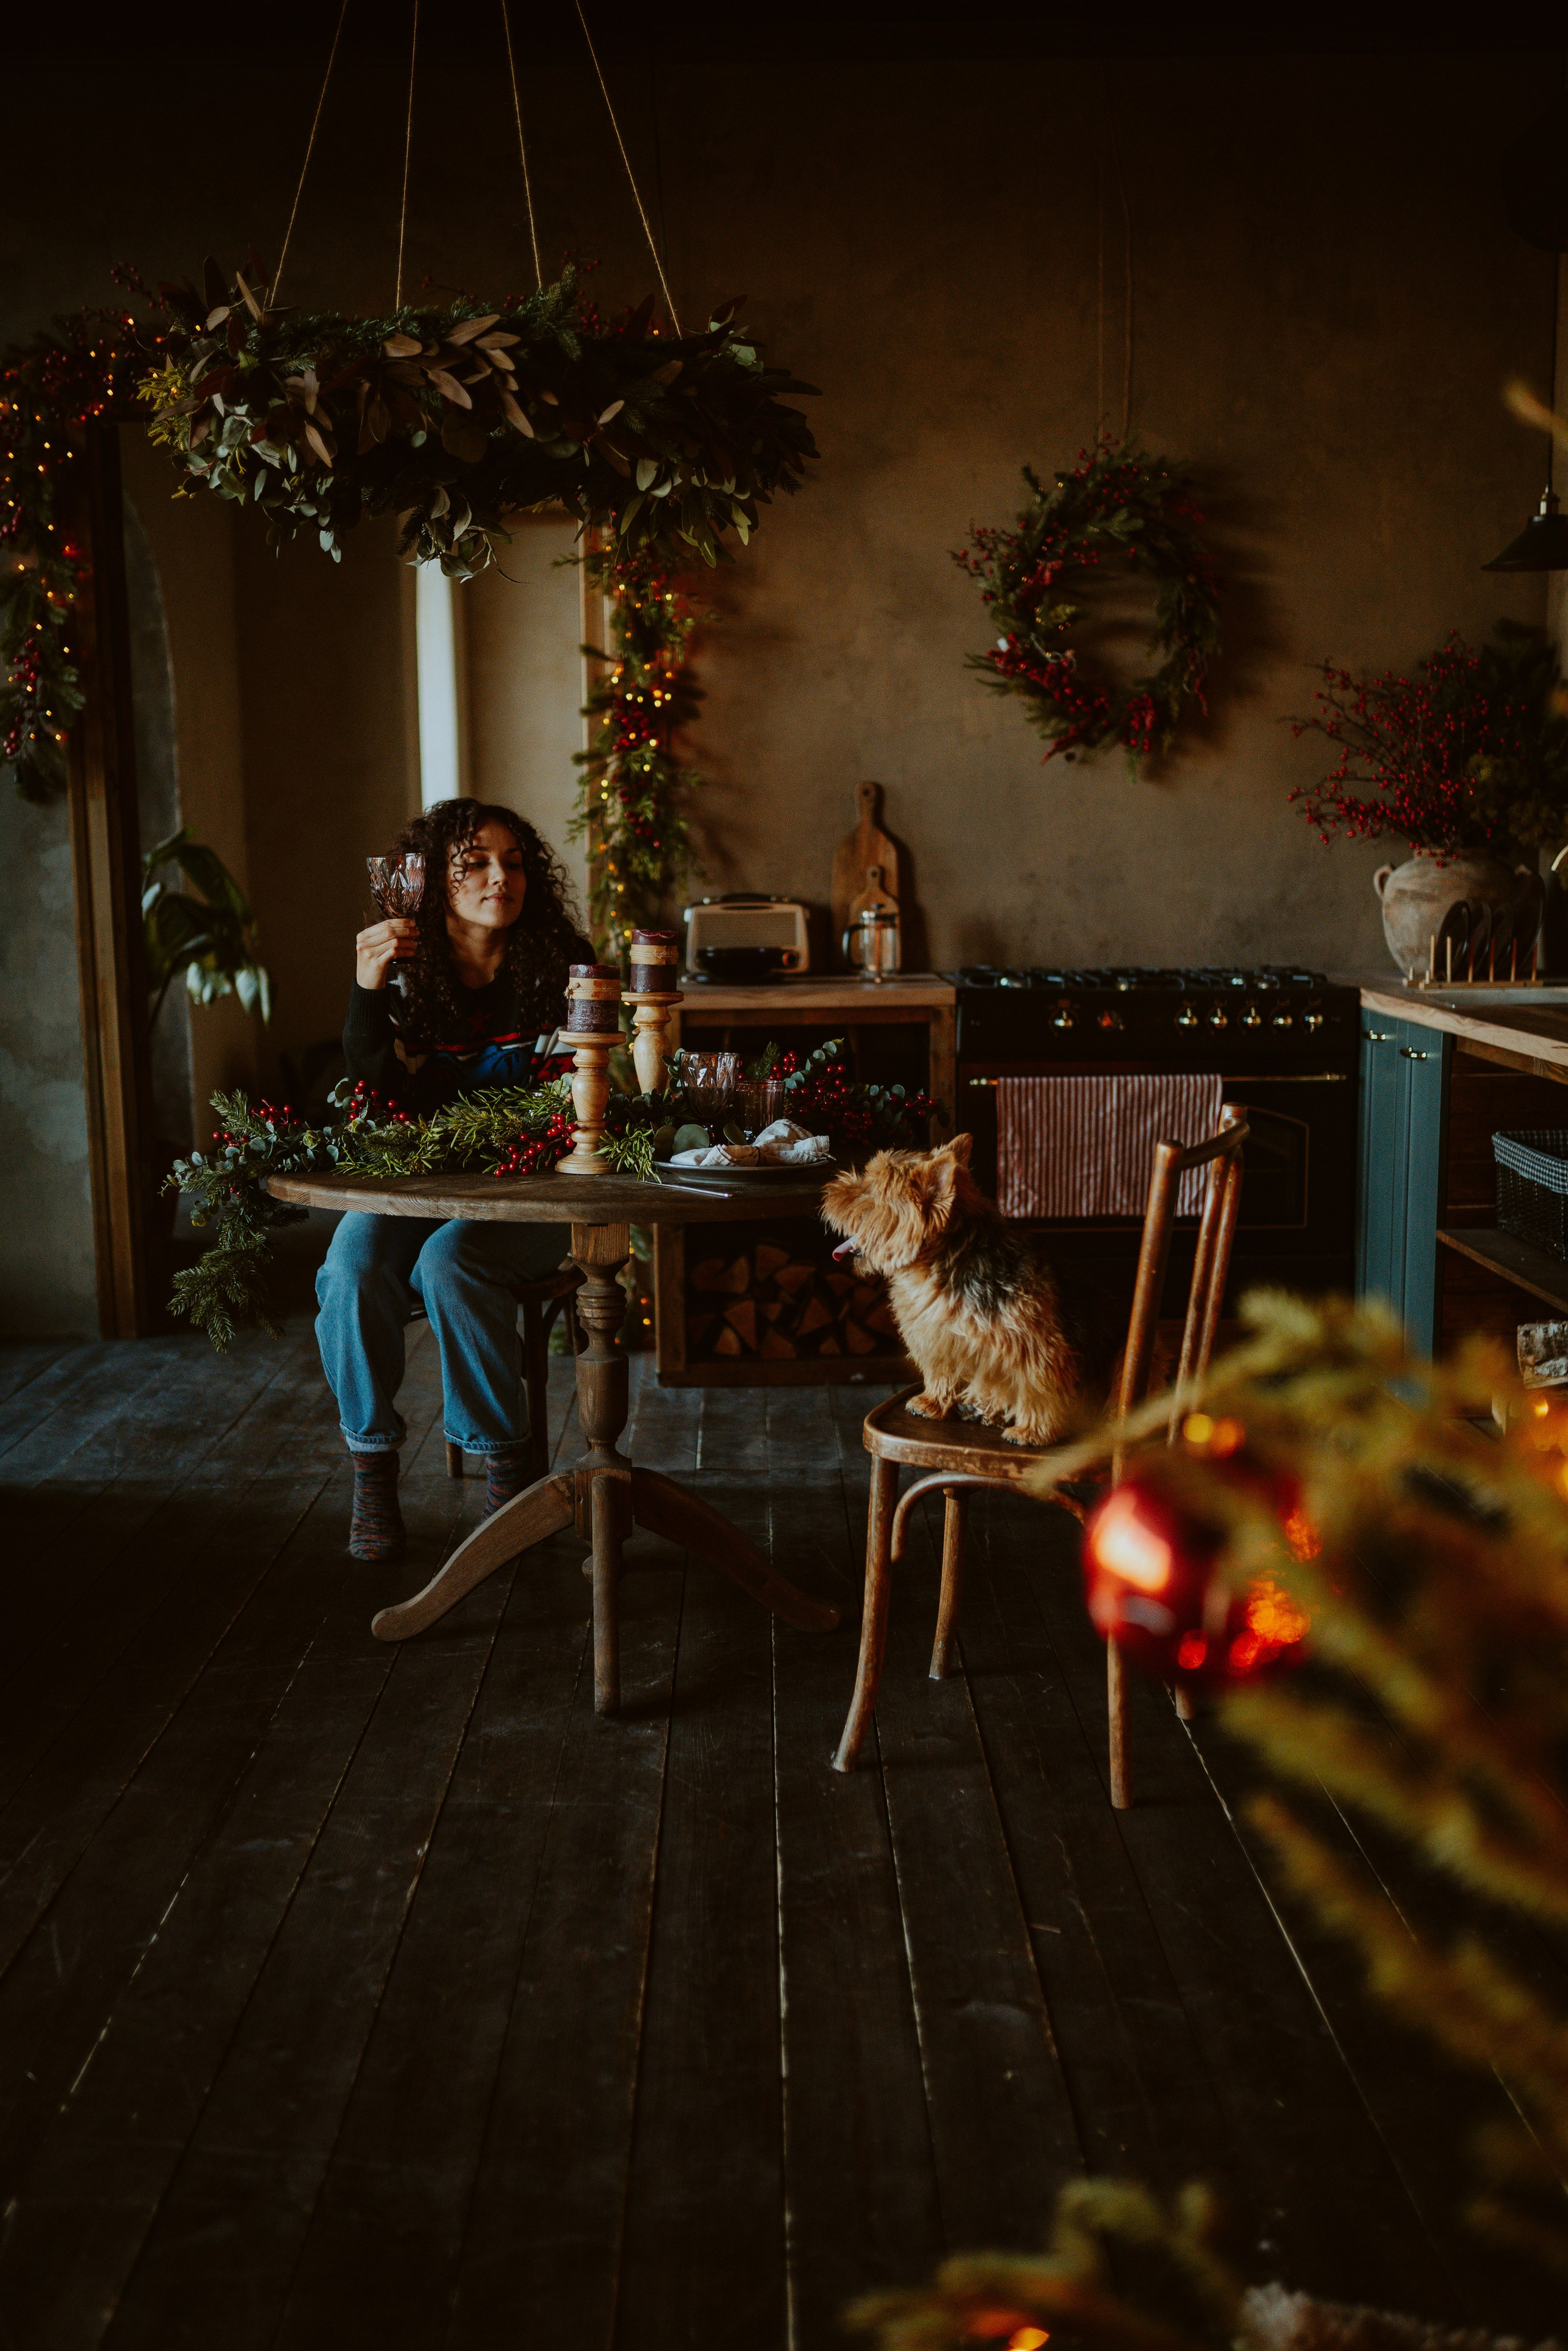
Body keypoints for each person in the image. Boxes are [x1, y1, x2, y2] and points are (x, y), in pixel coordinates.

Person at [315, 797, 592, 1560]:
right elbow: (376, 1096)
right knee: (349, 1267)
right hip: (419, 1183)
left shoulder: (565, 965)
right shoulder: (404, 972)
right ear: (435, 881)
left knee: (451, 1262)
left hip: (533, 1194)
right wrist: (366, 990)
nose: (499, 876)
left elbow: (580, 1103)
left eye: (512, 861)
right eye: (474, 863)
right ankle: (372, 1469)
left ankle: (505, 1467)